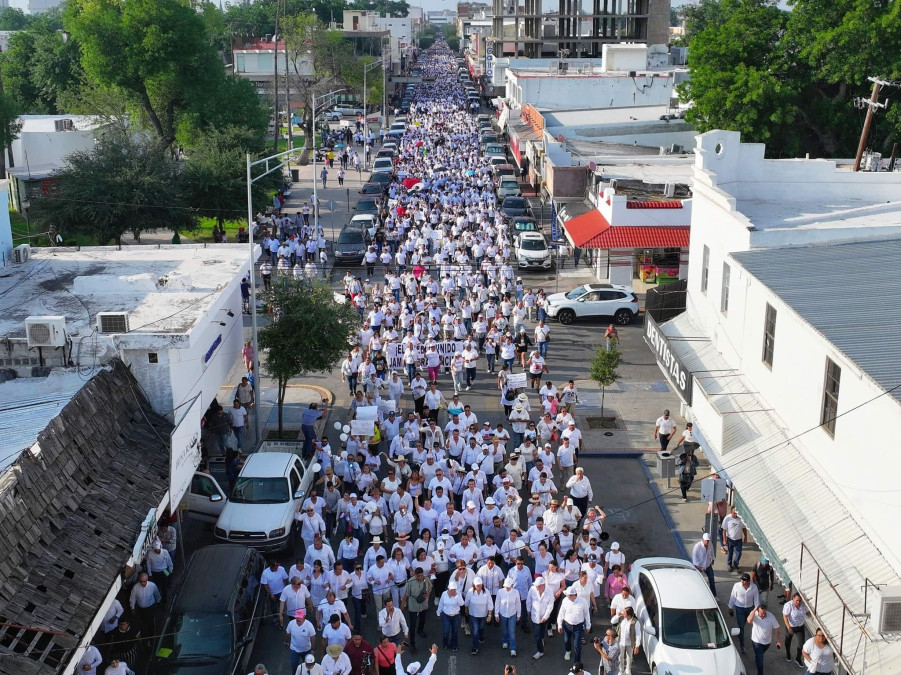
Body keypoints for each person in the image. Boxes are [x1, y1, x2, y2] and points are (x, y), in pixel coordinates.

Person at [557, 585, 590, 663]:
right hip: (567, 625)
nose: (567, 596)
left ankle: (577, 662)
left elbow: (586, 614)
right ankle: (568, 651)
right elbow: (561, 613)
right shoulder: (565, 600)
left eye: (568, 595)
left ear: (573, 595)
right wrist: (559, 624)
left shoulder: (583, 601)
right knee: (567, 640)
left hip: (579, 626)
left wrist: (588, 625)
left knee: (577, 644)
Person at [728, 573, 760, 654]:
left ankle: (739, 634)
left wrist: (756, 608)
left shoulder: (754, 587)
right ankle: (742, 646)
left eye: (744, 580)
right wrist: (730, 607)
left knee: (745, 623)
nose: (742, 582)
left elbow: (756, 598)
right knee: (741, 626)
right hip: (739, 608)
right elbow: (733, 597)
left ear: (749, 581)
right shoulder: (736, 586)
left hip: (749, 609)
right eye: (741, 580)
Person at [748, 604, 781, 675]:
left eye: (764, 613)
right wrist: (754, 610)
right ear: (757, 610)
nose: (763, 615)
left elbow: (776, 628)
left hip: (767, 642)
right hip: (756, 642)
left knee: (759, 655)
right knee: (760, 659)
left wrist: (778, 640)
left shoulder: (771, 616)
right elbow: (749, 621)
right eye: (761, 614)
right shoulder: (754, 614)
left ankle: (757, 658)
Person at [285, 609, 317, 673]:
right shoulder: (291, 623)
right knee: (294, 666)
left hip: (306, 650)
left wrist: (313, 649)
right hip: (294, 649)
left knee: (308, 667)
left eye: (300, 617)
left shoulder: (309, 625)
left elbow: (313, 637)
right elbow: (287, 634)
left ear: (304, 616)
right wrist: (286, 642)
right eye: (297, 617)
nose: (298, 619)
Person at [436, 580, 465, 651]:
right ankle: (445, 644)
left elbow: (462, 604)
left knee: (455, 631)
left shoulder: (458, 594)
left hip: (455, 615)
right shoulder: (444, 594)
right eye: (452, 590)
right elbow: (441, 604)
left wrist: (456, 596)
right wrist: (438, 612)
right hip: (446, 615)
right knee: (446, 631)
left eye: (454, 589)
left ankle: (454, 645)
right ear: (448, 589)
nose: (453, 591)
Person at [783, 592, 808, 667]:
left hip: (800, 626)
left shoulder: (803, 605)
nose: (798, 602)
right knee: (788, 640)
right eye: (797, 600)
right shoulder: (788, 605)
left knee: (801, 643)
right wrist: (788, 627)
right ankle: (788, 653)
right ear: (793, 599)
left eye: (800, 600)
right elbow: (785, 616)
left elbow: (807, 613)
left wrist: (813, 616)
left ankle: (798, 658)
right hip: (791, 626)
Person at [721, 506, 749, 572]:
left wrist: (745, 537)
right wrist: (724, 540)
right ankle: (729, 564)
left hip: (739, 540)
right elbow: (724, 530)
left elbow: (744, 528)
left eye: (737, 513)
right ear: (731, 512)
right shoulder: (727, 518)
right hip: (730, 539)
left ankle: (735, 564)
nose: (736, 515)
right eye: (734, 513)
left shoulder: (741, 518)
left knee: (739, 553)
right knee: (730, 553)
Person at [617, 606, 641, 675]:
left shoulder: (635, 622)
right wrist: (617, 615)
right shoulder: (622, 619)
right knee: (620, 657)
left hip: (630, 642)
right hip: (621, 641)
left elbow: (638, 634)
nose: (623, 613)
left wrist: (637, 646)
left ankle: (628, 669)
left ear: (629, 615)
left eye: (624, 612)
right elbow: (612, 621)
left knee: (629, 657)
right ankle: (621, 671)